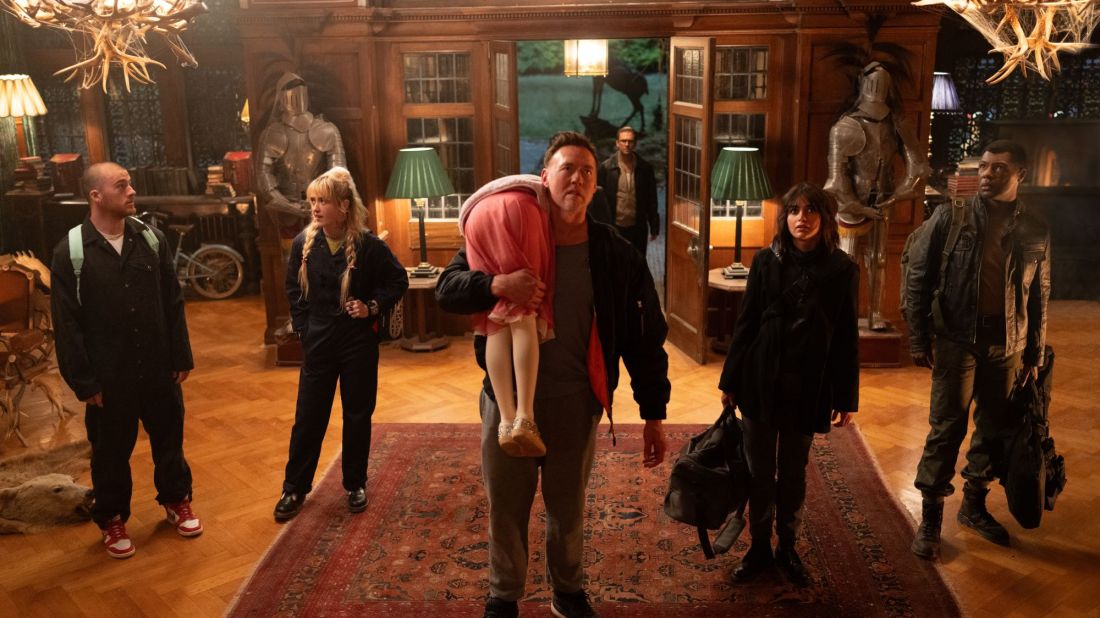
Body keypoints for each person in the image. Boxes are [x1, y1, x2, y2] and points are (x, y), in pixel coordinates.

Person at [436, 131, 670, 618]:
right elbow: (448, 288)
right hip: (505, 403)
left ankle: (567, 590)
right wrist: (496, 284)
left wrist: (654, 414)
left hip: (574, 404)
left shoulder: (615, 254)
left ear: (597, 186)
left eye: (587, 172)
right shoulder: (513, 230)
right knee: (506, 505)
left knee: (567, 507)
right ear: (544, 177)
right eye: (567, 169)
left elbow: (645, 337)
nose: (577, 179)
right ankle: (504, 596)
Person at [906, 140, 1050, 560]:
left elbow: (1040, 294)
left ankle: (973, 505)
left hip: (1008, 344)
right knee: (946, 427)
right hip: (956, 339)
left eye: (999, 168)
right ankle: (931, 518)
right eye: (984, 167)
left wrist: (1035, 353)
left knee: (993, 428)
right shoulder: (951, 216)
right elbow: (918, 275)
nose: (987, 174)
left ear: (1020, 175)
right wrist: (918, 337)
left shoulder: (1035, 227)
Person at [51, 162, 199, 559]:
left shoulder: (151, 239)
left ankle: (177, 499)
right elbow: (66, 324)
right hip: (108, 375)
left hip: (158, 366)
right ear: (96, 196)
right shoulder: (71, 252)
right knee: (110, 452)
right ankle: (112, 517)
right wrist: (84, 382)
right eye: (122, 185)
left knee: (169, 439)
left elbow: (172, 302)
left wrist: (180, 355)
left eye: (130, 183)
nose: (132, 191)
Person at [718, 182, 859, 587]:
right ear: (785, 217)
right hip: (760, 380)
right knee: (759, 470)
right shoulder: (765, 261)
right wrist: (730, 379)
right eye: (794, 210)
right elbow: (746, 323)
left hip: (809, 385)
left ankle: (788, 547)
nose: (802, 218)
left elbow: (846, 336)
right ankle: (760, 546)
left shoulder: (843, 270)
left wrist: (846, 396)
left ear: (825, 218)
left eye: (811, 210)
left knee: (794, 471)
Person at [273, 167, 409, 522]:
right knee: (308, 417)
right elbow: (293, 289)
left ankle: (355, 484)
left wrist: (371, 306)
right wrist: (303, 329)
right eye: (313, 201)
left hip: (357, 343)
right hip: (318, 341)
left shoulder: (369, 246)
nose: (315, 208)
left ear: (344, 206)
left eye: (324, 201)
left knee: (357, 415)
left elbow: (398, 280)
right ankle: (294, 488)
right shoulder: (303, 243)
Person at [823, 61, 928, 331]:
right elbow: (836, 180)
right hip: (851, 202)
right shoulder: (845, 127)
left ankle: (876, 313)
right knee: (847, 260)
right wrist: (857, 206)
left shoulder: (897, 123)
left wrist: (898, 194)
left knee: (879, 259)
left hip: (885, 197)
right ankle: (842, 316)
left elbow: (918, 166)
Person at [458, 175, 556, 457]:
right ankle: (525, 416)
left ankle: (505, 420)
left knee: (496, 320)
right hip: (519, 211)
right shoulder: (536, 198)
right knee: (523, 312)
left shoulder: (510, 186)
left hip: (474, 217)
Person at [596, 126, 660, 257]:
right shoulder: (606, 168)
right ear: (617, 143)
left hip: (637, 227)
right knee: (616, 261)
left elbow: (651, 199)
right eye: (623, 141)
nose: (627, 144)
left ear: (635, 144)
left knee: (637, 260)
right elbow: (599, 201)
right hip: (615, 227)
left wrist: (654, 226)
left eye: (630, 141)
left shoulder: (645, 168)